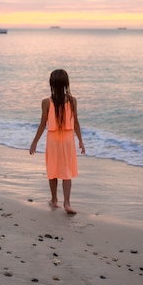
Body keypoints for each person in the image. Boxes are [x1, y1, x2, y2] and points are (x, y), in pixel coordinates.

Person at [29, 69, 85, 214]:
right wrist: (80, 140)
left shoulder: (46, 102)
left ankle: (54, 199)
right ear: (66, 83)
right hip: (67, 140)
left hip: (53, 139)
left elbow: (42, 124)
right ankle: (67, 203)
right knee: (66, 172)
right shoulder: (72, 100)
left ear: (51, 84)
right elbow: (76, 123)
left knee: (52, 169)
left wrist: (35, 141)